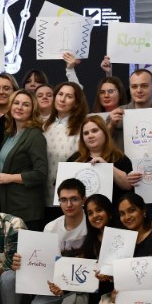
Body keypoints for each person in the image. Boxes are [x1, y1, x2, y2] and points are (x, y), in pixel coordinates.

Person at [27, 194, 117, 304]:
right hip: (94, 295)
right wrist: (62, 288)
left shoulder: (122, 236)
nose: (95, 216)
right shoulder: (91, 241)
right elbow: (82, 276)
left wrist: (111, 278)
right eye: (90, 213)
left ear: (109, 212)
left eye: (99, 210)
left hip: (114, 294)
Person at [0, 89, 48, 231]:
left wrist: (10, 178)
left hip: (27, 209)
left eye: (25, 104)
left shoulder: (35, 136)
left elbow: (41, 173)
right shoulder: (10, 134)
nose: (19, 107)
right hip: (9, 206)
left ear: (32, 110)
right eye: (16, 103)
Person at [42, 82, 89, 224]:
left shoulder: (82, 127)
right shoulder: (44, 125)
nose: (62, 99)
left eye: (68, 96)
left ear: (76, 103)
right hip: (44, 195)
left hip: (70, 197)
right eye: (60, 94)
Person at [69, 115, 140, 200]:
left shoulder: (119, 158)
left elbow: (128, 186)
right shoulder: (75, 159)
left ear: (105, 133)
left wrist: (107, 167)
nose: (90, 136)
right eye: (86, 133)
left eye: (94, 131)